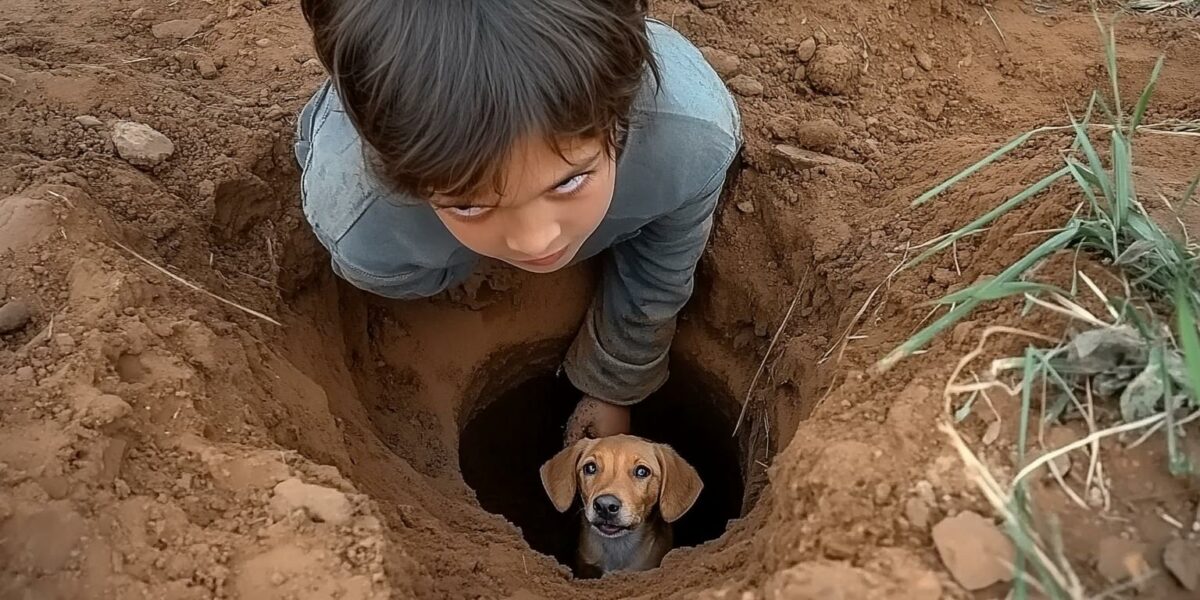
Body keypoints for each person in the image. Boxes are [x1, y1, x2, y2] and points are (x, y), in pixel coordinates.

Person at [293, 0, 741, 445]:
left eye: (569, 181)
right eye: (469, 205)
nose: (535, 240)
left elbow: (664, 261)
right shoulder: (363, 225)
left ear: (618, 114)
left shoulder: (690, 134)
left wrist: (613, 386)